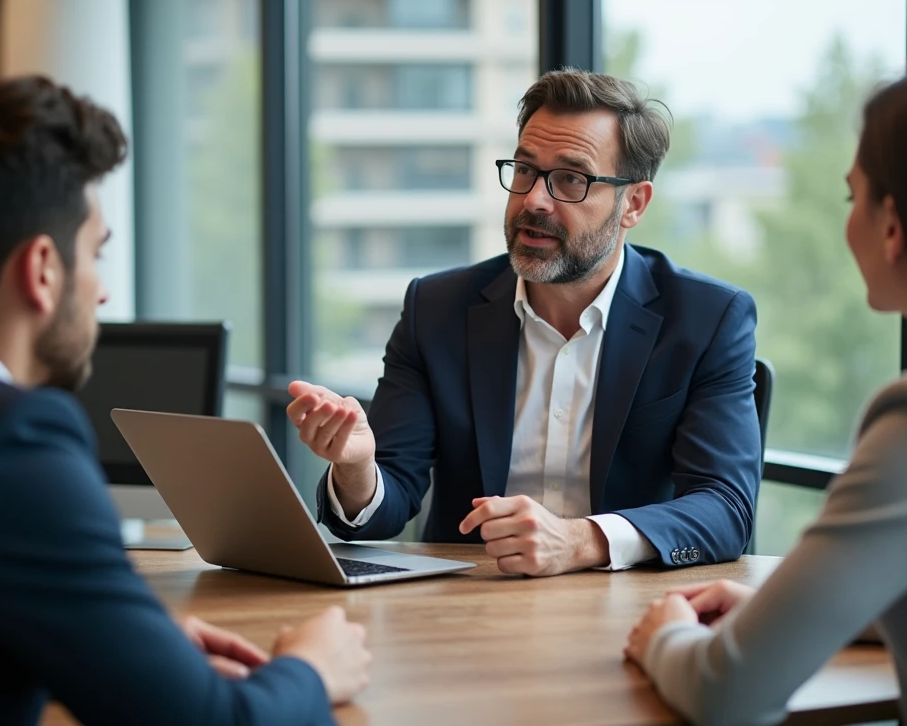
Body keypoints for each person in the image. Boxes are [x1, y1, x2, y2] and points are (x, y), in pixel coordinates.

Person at [0, 76, 370, 725]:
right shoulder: (7, 441)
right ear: (42, 270)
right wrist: (310, 669)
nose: (101, 293)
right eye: (95, 253)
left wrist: (123, 647)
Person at [623, 55, 907, 725]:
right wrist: (793, 613)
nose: (847, 220)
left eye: (853, 197)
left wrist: (665, 636)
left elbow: (725, 693)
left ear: (892, 224)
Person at [288, 69, 762, 576]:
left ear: (634, 204)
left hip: (626, 615)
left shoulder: (707, 319)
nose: (535, 199)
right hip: (464, 612)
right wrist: (358, 468)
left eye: (571, 179)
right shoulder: (437, 308)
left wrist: (582, 540)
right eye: (524, 170)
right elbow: (389, 500)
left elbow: (725, 509)